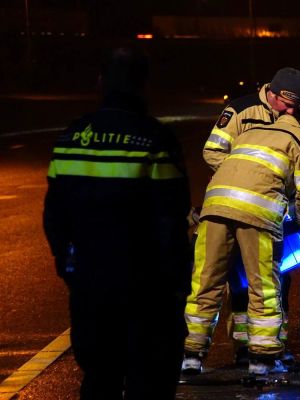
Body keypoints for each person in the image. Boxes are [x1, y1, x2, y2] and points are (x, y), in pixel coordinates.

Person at [43, 46, 191, 400]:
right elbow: (171, 217)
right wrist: (176, 284)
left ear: (100, 82)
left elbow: (54, 216)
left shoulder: (71, 138)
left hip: (90, 286)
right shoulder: (154, 139)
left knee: (99, 377)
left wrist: (69, 267)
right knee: (149, 381)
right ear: (144, 85)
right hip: (146, 290)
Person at [183, 95, 300, 377]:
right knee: (264, 287)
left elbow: (216, 156)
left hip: (214, 210)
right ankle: (262, 358)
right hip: (257, 216)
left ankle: (191, 356)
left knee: (205, 283)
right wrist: (299, 222)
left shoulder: (251, 132)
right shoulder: (299, 139)